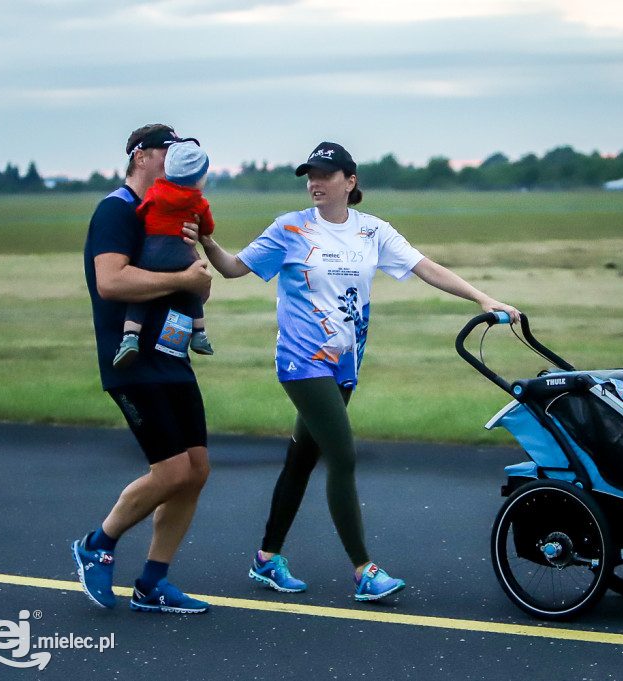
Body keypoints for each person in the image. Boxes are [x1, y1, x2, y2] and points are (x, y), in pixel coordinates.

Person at [198, 141, 521, 602]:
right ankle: (364, 570)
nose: (315, 182)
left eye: (325, 175)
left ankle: (267, 559)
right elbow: (232, 269)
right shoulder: (289, 228)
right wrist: (208, 240)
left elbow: (424, 267)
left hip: (345, 362)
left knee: (302, 459)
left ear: (349, 182)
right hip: (302, 360)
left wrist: (482, 298)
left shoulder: (372, 232)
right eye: (310, 174)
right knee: (343, 456)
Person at [74, 123, 214, 614]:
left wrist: (196, 280)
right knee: (171, 469)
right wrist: (180, 276)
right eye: (168, 152)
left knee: (195, 471)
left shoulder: (174, 209)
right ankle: (97, 543)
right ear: (141, 157)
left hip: (171, 353)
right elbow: (111, 281)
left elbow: (191, 278)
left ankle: (153, 582)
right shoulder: (116, 210)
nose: (176, 161)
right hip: (130, 357)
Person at [114, 139, 216, 369]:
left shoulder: (155, 192)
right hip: (182, 257)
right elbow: (207, 229)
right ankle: (198, 334)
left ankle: (130, 337)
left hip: (152, 255)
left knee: (140, 296)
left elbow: (141, 212)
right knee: (190, 291)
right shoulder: (199, 201)